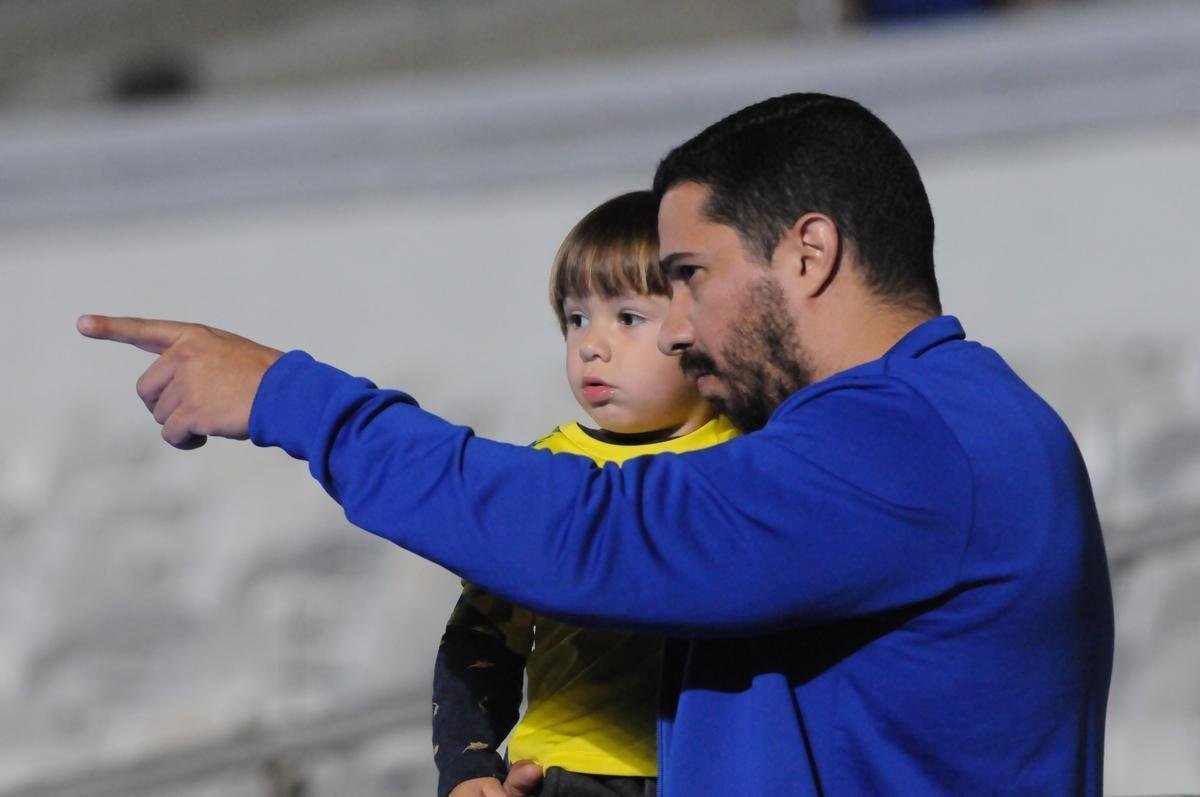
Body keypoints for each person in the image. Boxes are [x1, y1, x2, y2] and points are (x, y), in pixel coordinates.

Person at [78, 92, 1114, 796]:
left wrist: (294, 399)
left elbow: (604, 530)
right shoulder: (925, 427)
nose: (677, 328)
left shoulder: (914, 440)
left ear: (808, 254)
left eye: (690, 276)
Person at [433, 190, 736, 797]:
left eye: (628, 317)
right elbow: (483, 633)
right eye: (576, 319)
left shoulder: (753, 455)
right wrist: (468, 770)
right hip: (569, 773)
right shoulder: (544, 469)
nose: (590, 345)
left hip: (720, 771)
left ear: (697, 322)